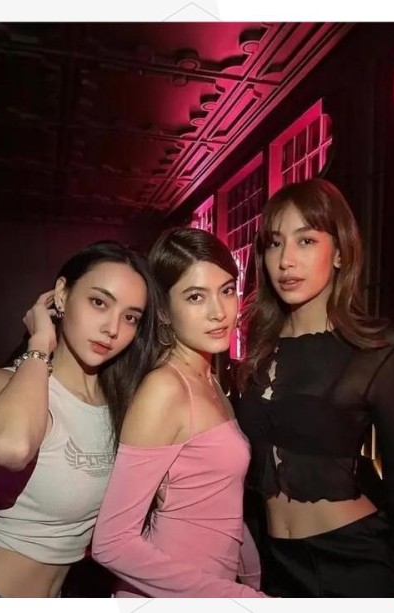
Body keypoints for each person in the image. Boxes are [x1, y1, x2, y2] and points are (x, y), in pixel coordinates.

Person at [234, 178, 394, 597]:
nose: (285, 260)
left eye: (306, 241)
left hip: (354, 564)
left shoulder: (377, 349)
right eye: (275, 243)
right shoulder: (258, 350)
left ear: (339, 253)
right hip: (276, 568)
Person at [0, 241, 162, 598]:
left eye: (130, 317)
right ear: (62, 295)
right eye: (99, 302)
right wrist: (40, 342)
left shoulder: (124, 406)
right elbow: (12, 447)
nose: (113, 328)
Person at [91, 228, 268, 597]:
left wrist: (251, 578)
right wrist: (239, 597)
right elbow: (111, 542)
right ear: (164, 312)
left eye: (226, 290)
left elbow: (222, 505)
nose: (219, 312)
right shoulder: (165, 389)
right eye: (195, 296)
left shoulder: (209, 380)